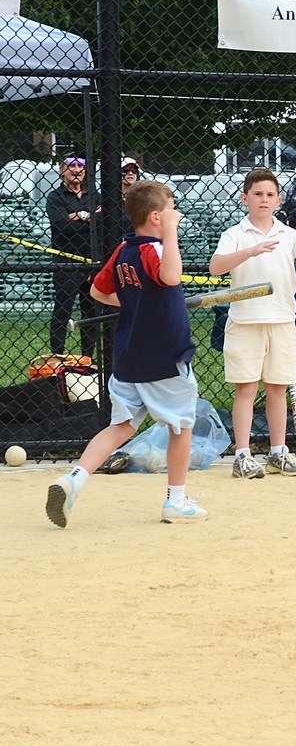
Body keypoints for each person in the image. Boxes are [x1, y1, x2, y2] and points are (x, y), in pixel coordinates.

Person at [46, 181, 208, 528]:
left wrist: (138, 300)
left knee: (121, 426)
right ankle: (176, 501)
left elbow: (98, 291)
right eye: (171, 210)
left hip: (129, 357)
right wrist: (172, 234)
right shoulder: (156, 249)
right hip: (164, 356)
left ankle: (74, 479)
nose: (175, 215)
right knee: (181, 426)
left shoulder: (124, 250)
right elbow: (171, 275)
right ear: (155, 217)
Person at [208, 168, 296, 477]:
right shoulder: (235, 235)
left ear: (279, 200)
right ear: (245, 198)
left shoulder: (290, 235)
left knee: (278, 388)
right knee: (245, 388)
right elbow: (216, 267)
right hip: (245, 321)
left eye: (270, 195)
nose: (264, 200)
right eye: (257, 194)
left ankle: (277, 451)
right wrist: (251, 250)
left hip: (282, 320)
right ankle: (242, 454)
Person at [44, 153, 103, 360]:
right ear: (62, 170)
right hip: (66, 262)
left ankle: (87, 358)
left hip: (92, 262)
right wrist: (89, 216)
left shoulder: (95, 195)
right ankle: (57, 356)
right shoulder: (55, 197)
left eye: (81, 166)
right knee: (62, 311)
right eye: (72, 165)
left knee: (91, 313)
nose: (77, 170)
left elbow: (104, 220)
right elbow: (62, 227)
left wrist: (76, 216)